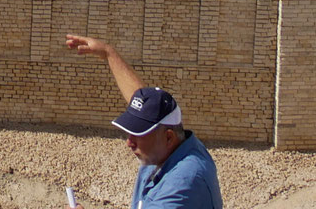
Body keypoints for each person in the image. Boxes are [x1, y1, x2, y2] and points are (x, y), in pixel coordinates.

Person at [64, 33, 222, 208]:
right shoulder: (178, 145)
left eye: (139, 134)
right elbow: (142, 102)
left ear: (168, 138)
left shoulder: (183, 183)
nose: (129, 143)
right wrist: (109, 53)